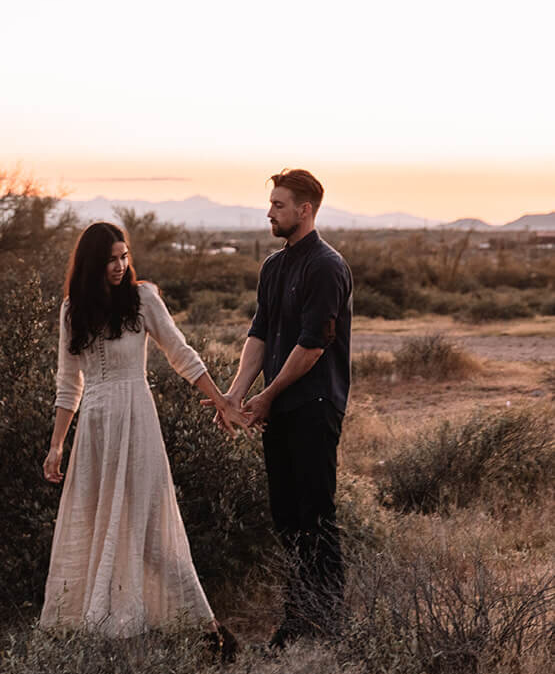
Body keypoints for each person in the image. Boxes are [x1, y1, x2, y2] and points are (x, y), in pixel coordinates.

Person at [40, 219, 244, 642]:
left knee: (151, 526)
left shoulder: (142, 298)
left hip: (136, 421)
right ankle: (104, 625)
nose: (119, 266)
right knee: (99, 525)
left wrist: (221, 399)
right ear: (90, 265)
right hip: (95, 432)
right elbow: (68, 382)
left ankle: (206, 627)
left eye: (123, 257)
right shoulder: (71, 311)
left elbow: (179, 352)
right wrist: (56, 444)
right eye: (110, 260)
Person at [214, 168, 352, 646]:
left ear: (304, 210)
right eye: (271, 204)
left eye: (278, 205)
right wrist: (235, 393)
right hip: (281, 412)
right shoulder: (273, 267)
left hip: (315, 406)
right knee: (286, 516)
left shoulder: (326, 266)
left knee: (315, 515)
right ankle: (299, 616)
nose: (269, 212)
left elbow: (313, 346)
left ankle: (326, 621)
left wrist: (266, 397)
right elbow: (260, 334)